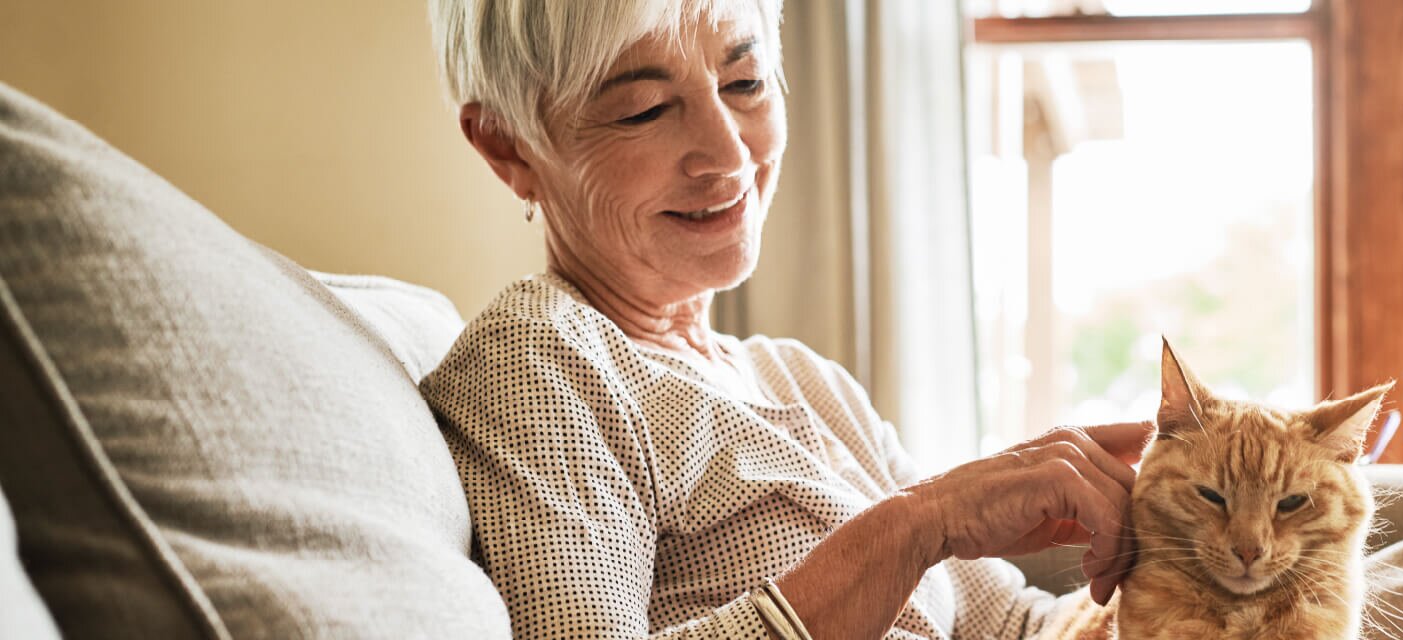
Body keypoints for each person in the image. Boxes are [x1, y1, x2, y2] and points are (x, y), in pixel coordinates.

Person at [420, 1, 1151, 637]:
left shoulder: (803, 379)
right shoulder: (536, 359)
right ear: (507, 144)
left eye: (745, 83)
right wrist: (916, 526)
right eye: (645, 107)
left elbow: (1017, 627)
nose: (729, 155)